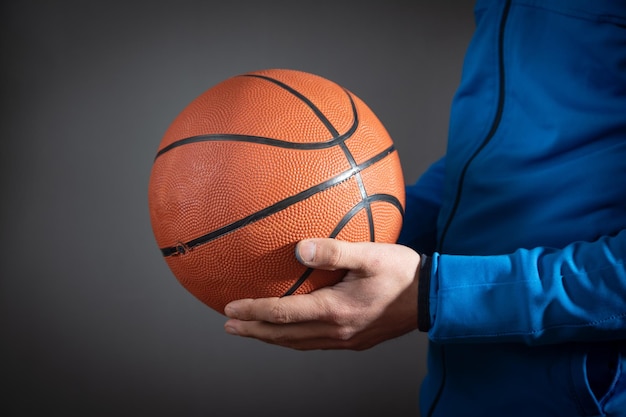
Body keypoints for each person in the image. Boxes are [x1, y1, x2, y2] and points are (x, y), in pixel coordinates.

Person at [223, 0, 626, 415]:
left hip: (580, 394)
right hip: (457, 390)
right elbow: (492, 164)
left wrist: (434, 295)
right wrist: (351, 224)